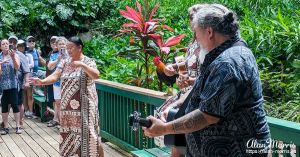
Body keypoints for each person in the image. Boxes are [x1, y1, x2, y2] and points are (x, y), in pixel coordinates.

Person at [143, 4, 271, 157]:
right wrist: (178, 103)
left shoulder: (227, 63)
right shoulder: (233, 52)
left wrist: (164, 128)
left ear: (209, 32)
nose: (196, 39)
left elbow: (208, 115)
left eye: (196, 33)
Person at [30, 36, 104, 156]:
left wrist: (82, 66)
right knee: (70, 136)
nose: (68, 50)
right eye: (67, 48)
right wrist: (42, 81)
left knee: (91, 136)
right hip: (68, 108)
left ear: (79, 48)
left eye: (71, 48)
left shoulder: (88, 61)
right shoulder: (65, 62)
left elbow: (96, 75)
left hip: (85, 107)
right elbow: (55, 76)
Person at [155, 4, 207, 157]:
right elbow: (184, 67)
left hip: (196, 95)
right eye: (190, 18)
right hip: (185, 92)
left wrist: (190, 81)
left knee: (184, 144)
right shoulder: (192, 44)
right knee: (177, 145)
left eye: (194, 17)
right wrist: (173, 69)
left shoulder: (207, 44)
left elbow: (208, 76)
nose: (192, 21)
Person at [0, 39, 21, 134]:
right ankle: (6, 127)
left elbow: (17, 68)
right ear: (0, 47)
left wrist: (12, 58)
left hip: (13, 84)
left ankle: (18, 126)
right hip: (3, 86)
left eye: (7, 43)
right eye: (3, 44)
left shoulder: (15, 55)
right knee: (4, 106)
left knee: (15, 105)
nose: (5, 45)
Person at [9, 36, 30, 129]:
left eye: (14, 42)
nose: (12, 43)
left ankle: (20, 121)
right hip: (7, 84)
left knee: (19, 103)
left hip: (18, 82)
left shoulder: (21, 55)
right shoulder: (3, 54)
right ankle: (5, 122)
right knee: (7, 102)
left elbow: (26, 70)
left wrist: (26, 82)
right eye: (11, 41)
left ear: (17, 44)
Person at [47, 36, 68, 127]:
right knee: (58, 102)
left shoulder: (70, 54)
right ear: (57, 46)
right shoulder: (54, 55)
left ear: (66, 44)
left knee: (67, 102)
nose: (62, 45)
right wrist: (57, 60)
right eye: (60, 44)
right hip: (57, 82)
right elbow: (49, 67)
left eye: (63, 43)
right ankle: (60, 122)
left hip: (67, 82)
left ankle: (66, 122)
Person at [25, 35, 46, 118]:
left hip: (37, 73)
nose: (31, 42)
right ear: (27, 43)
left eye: (33, 41)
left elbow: (42, 62)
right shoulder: (25, 52)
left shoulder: (36, 51)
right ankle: (30, 112)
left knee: (45, 76)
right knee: (29, 94)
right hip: (29, 75)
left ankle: (39, 90)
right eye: (29, 41)